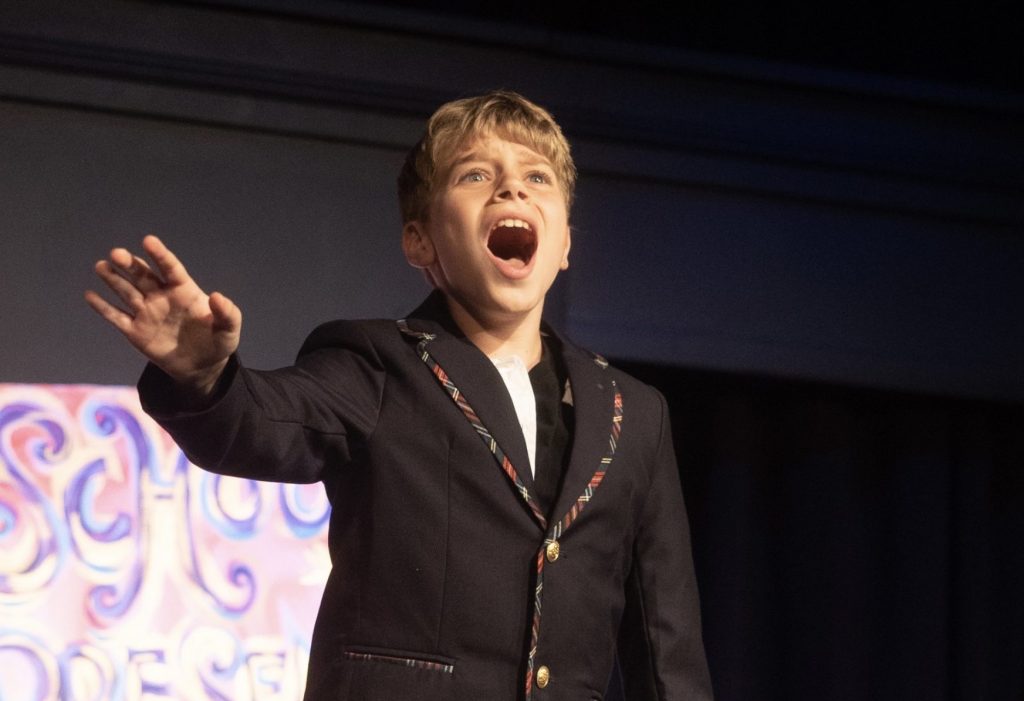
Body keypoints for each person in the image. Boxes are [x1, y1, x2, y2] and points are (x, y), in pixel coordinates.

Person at [86, 91, 713, 701]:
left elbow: (667, 647)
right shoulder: (380, 364)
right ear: (421, 242)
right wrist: (203, 376)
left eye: (537, 177)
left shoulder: (632, 413)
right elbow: (264, 423)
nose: (512, 189)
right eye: (475, 175)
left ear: (566, 244)